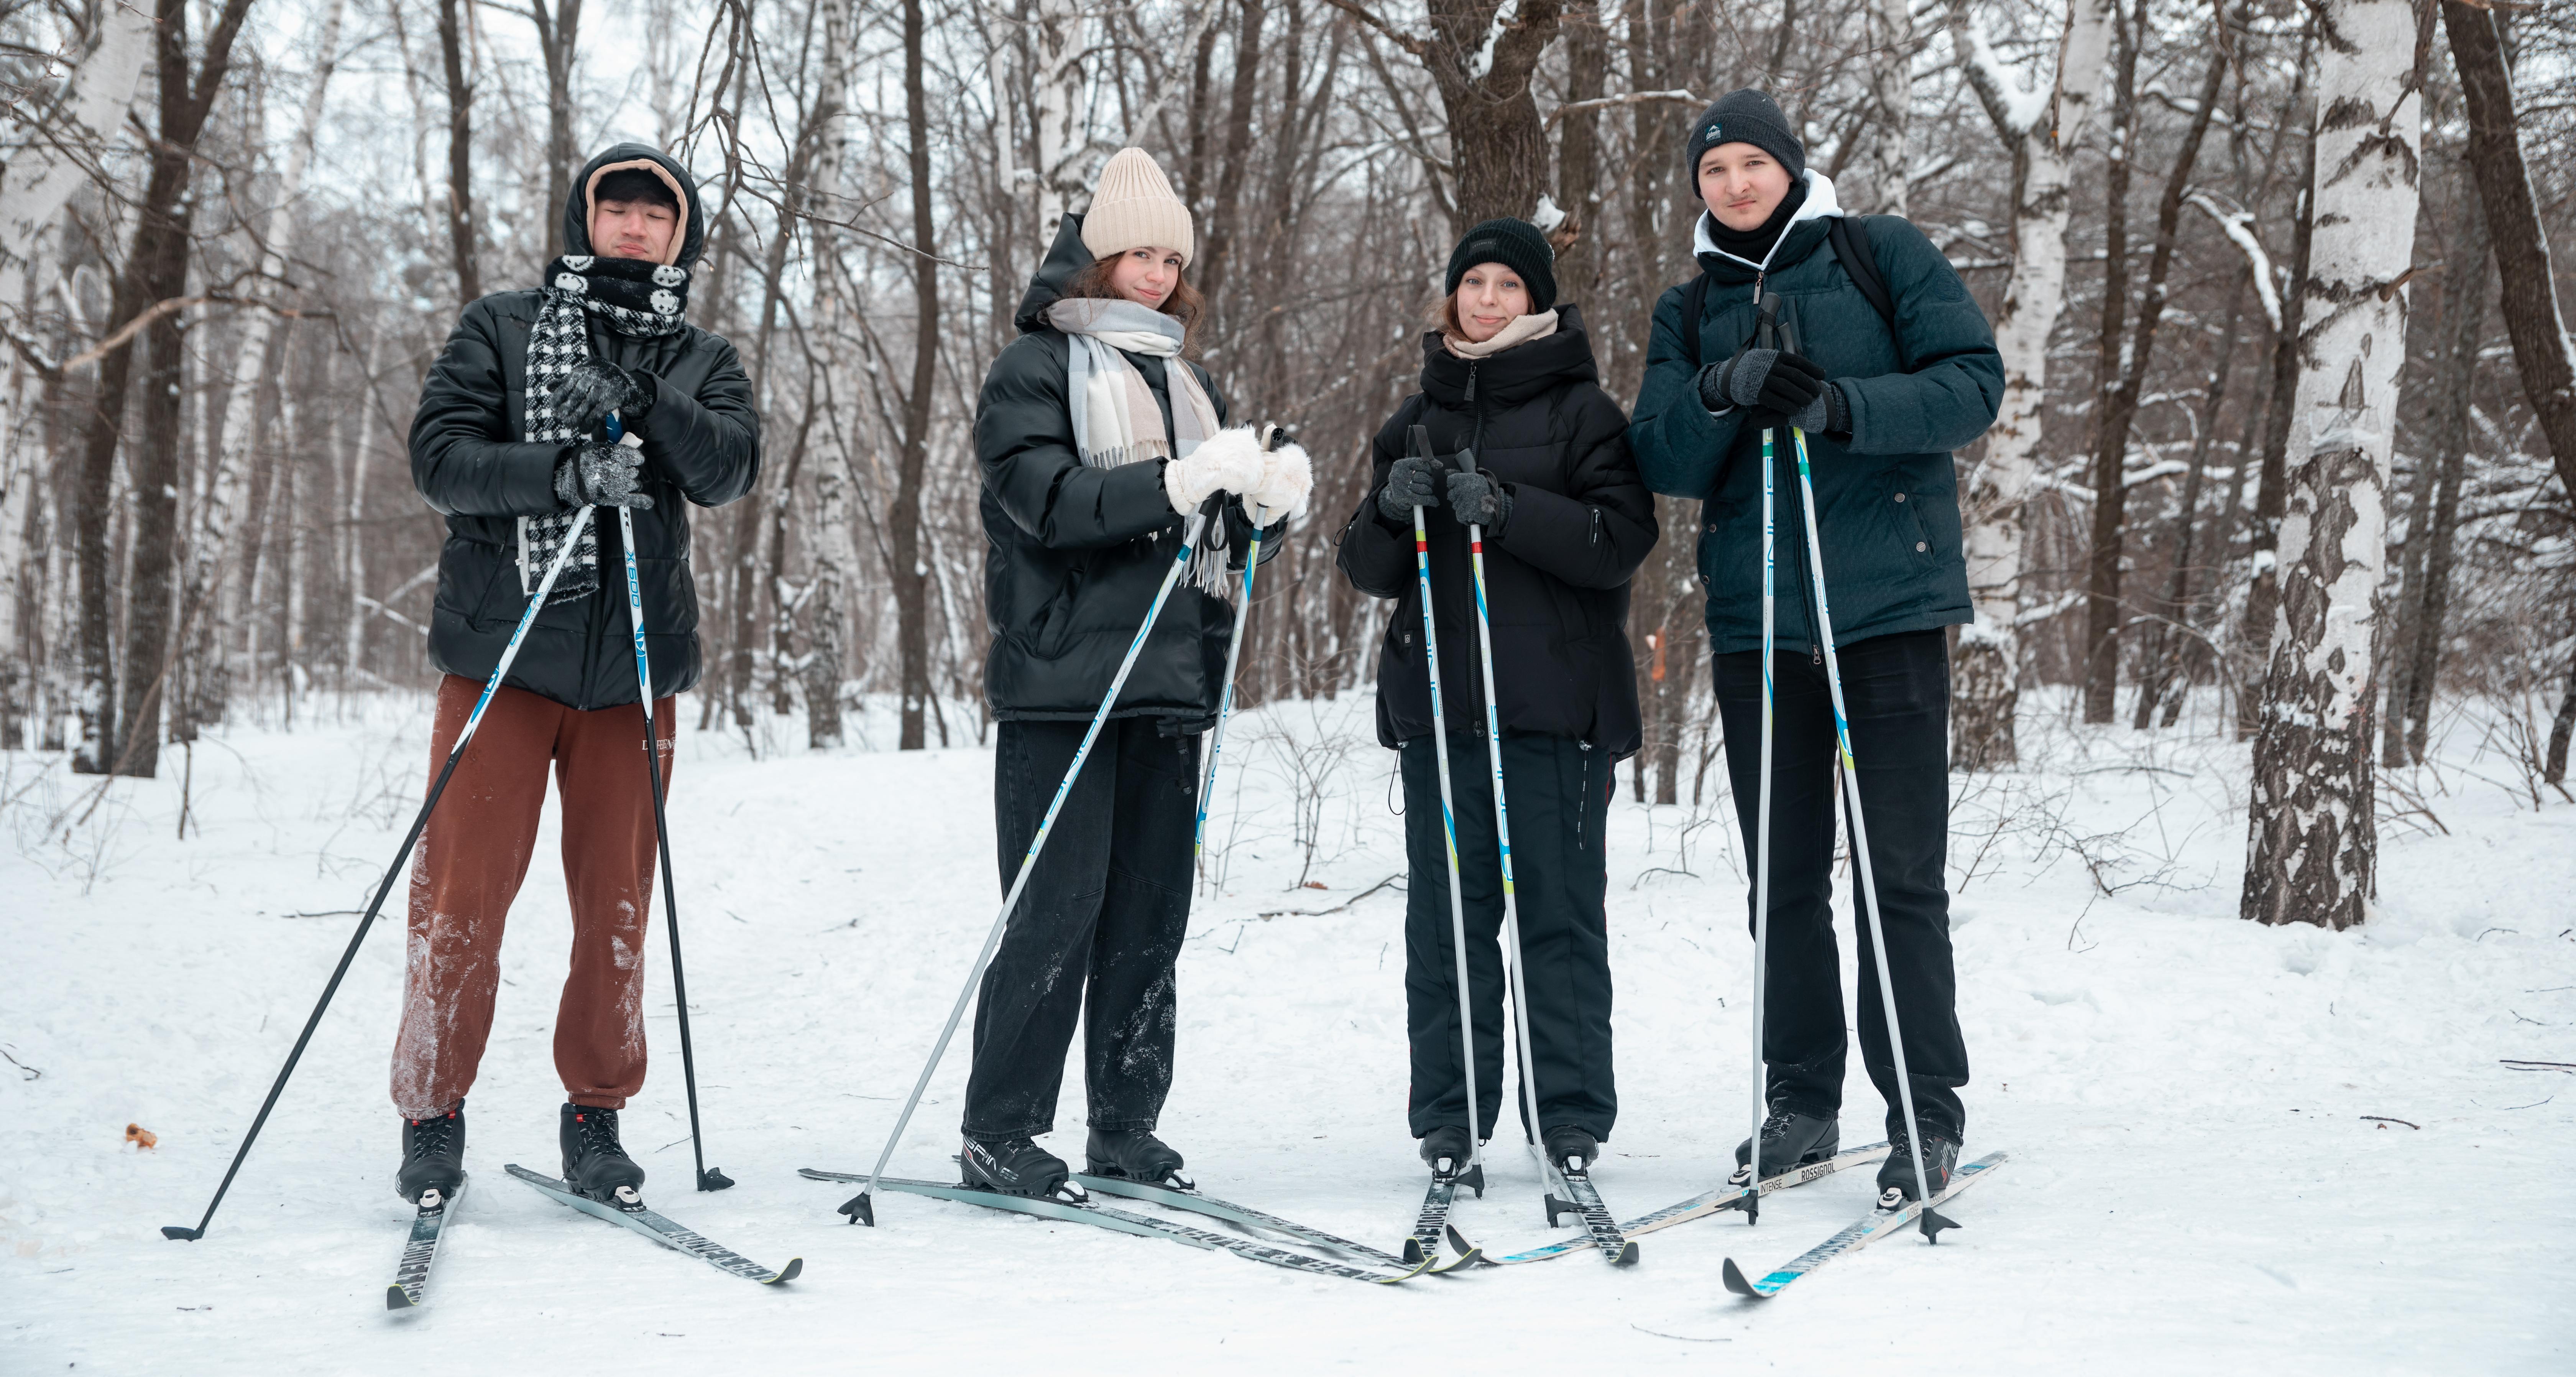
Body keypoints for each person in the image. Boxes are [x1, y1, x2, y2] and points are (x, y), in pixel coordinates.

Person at [1627, 90, 2002, 1203]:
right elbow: (1663, 457)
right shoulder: (1688, 308)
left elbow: (1971, 384)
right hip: (1759, 623)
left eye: (1753, 163)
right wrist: (1719, 388)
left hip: (1885, 610)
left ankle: (1923, 1111)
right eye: (1714, 171)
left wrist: (1841, 406)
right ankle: (1801, 1099)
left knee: (1899, 877)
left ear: (1792, 166)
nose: (1735, 184)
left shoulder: (1878, 254)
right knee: (1784, 880)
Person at [396, 144, 759, 1206]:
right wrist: (560, 472)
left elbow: (729, 468)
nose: (638, 227)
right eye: (620, 208)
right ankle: (432, 1110)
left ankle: (596, 1116)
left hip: (633, 670)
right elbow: (441, 458)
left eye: (659, 214)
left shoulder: (700, 356)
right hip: (504, 658)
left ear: (681, 235)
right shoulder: (502, 328)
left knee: (616, 903)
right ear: (585, 218)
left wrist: (648, 402)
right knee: (462, 898)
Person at [964, 148, 1310, 1198]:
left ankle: (1124, 1124)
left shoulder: (1186, 379)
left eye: (1169, 256)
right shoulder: (1035, 368)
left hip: (1170, 683)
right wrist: (1175, 484)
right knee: (1056, 912)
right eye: (1134, 253)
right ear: (1094, 255)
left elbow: (1207, 540)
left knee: (1150, 919)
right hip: (1064, 678)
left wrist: (1263, 511)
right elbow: (1049, 506)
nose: (1154, 273)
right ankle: (1003, 1129)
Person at [1336, 217, 1656, 1178]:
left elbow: (1619, 542)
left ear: (1538, 302)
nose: (1487, 299)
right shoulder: (1415, 417)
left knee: (1559, 919)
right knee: (1446, 923)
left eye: (1508, 286)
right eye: (1474, 282)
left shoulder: (1584, 413)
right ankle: (1451, 1115)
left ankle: (1569, 1118)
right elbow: (1366, 567)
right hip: (1443, 710)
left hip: (1556, 711)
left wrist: (1511, 512)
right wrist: (1393, 507)